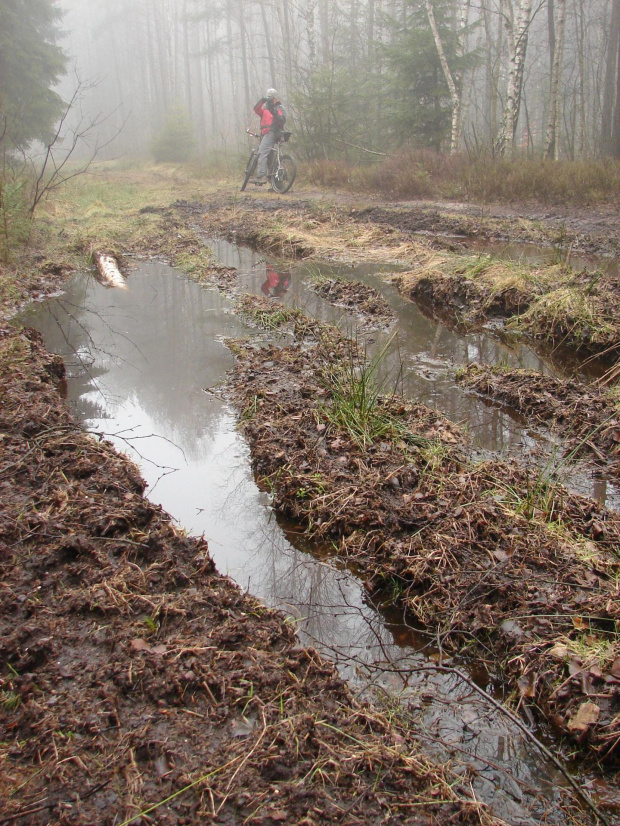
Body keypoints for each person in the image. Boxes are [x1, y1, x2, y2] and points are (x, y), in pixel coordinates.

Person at [253, 88, 286, 184]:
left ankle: (261, 176)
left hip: (272, 132)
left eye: (271, 98)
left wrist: (273, 111)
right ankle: (274, 183)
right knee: (269, 156)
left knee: (262, 152)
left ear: (275, 99)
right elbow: (256, 109)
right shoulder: (265, 110)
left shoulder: (279, 108)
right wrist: (262, 100)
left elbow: (282, 120)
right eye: (269, 98)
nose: (270, 101)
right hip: (264, 134)